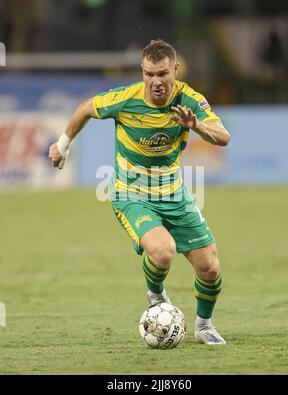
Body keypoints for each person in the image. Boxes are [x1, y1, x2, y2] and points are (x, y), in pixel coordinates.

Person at [48, 39, 231, 345]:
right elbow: (84, 109)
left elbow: (223, 137)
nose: (155, 82)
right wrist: (63, 146)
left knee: (210, 267)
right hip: (130, 194)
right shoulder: (125, 99)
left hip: (174, 194)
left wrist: (196, 125)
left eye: (162, 74)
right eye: (149, 74)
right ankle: (156, 293)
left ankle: (203, 325)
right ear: (142, 72)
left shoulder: (190, 99)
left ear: (175, 69)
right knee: (163, 251)